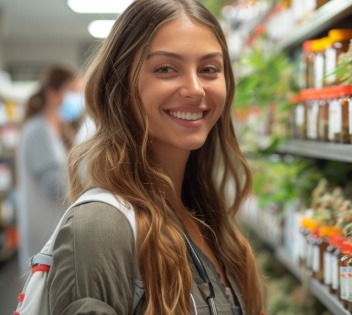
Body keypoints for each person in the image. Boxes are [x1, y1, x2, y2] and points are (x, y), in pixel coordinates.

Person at [47, 0, 266, 314]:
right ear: (120, 85)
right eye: (165, 69)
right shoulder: (101, 227)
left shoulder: (204, 216)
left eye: (209, 69)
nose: (195, 89)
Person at [16, 64, 82, 274]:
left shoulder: (58, 130)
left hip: (56, 231)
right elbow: (56, 186)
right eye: (72, 90)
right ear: (52, 93)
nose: (78, 97)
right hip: (45, 232)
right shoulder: (37, 131)